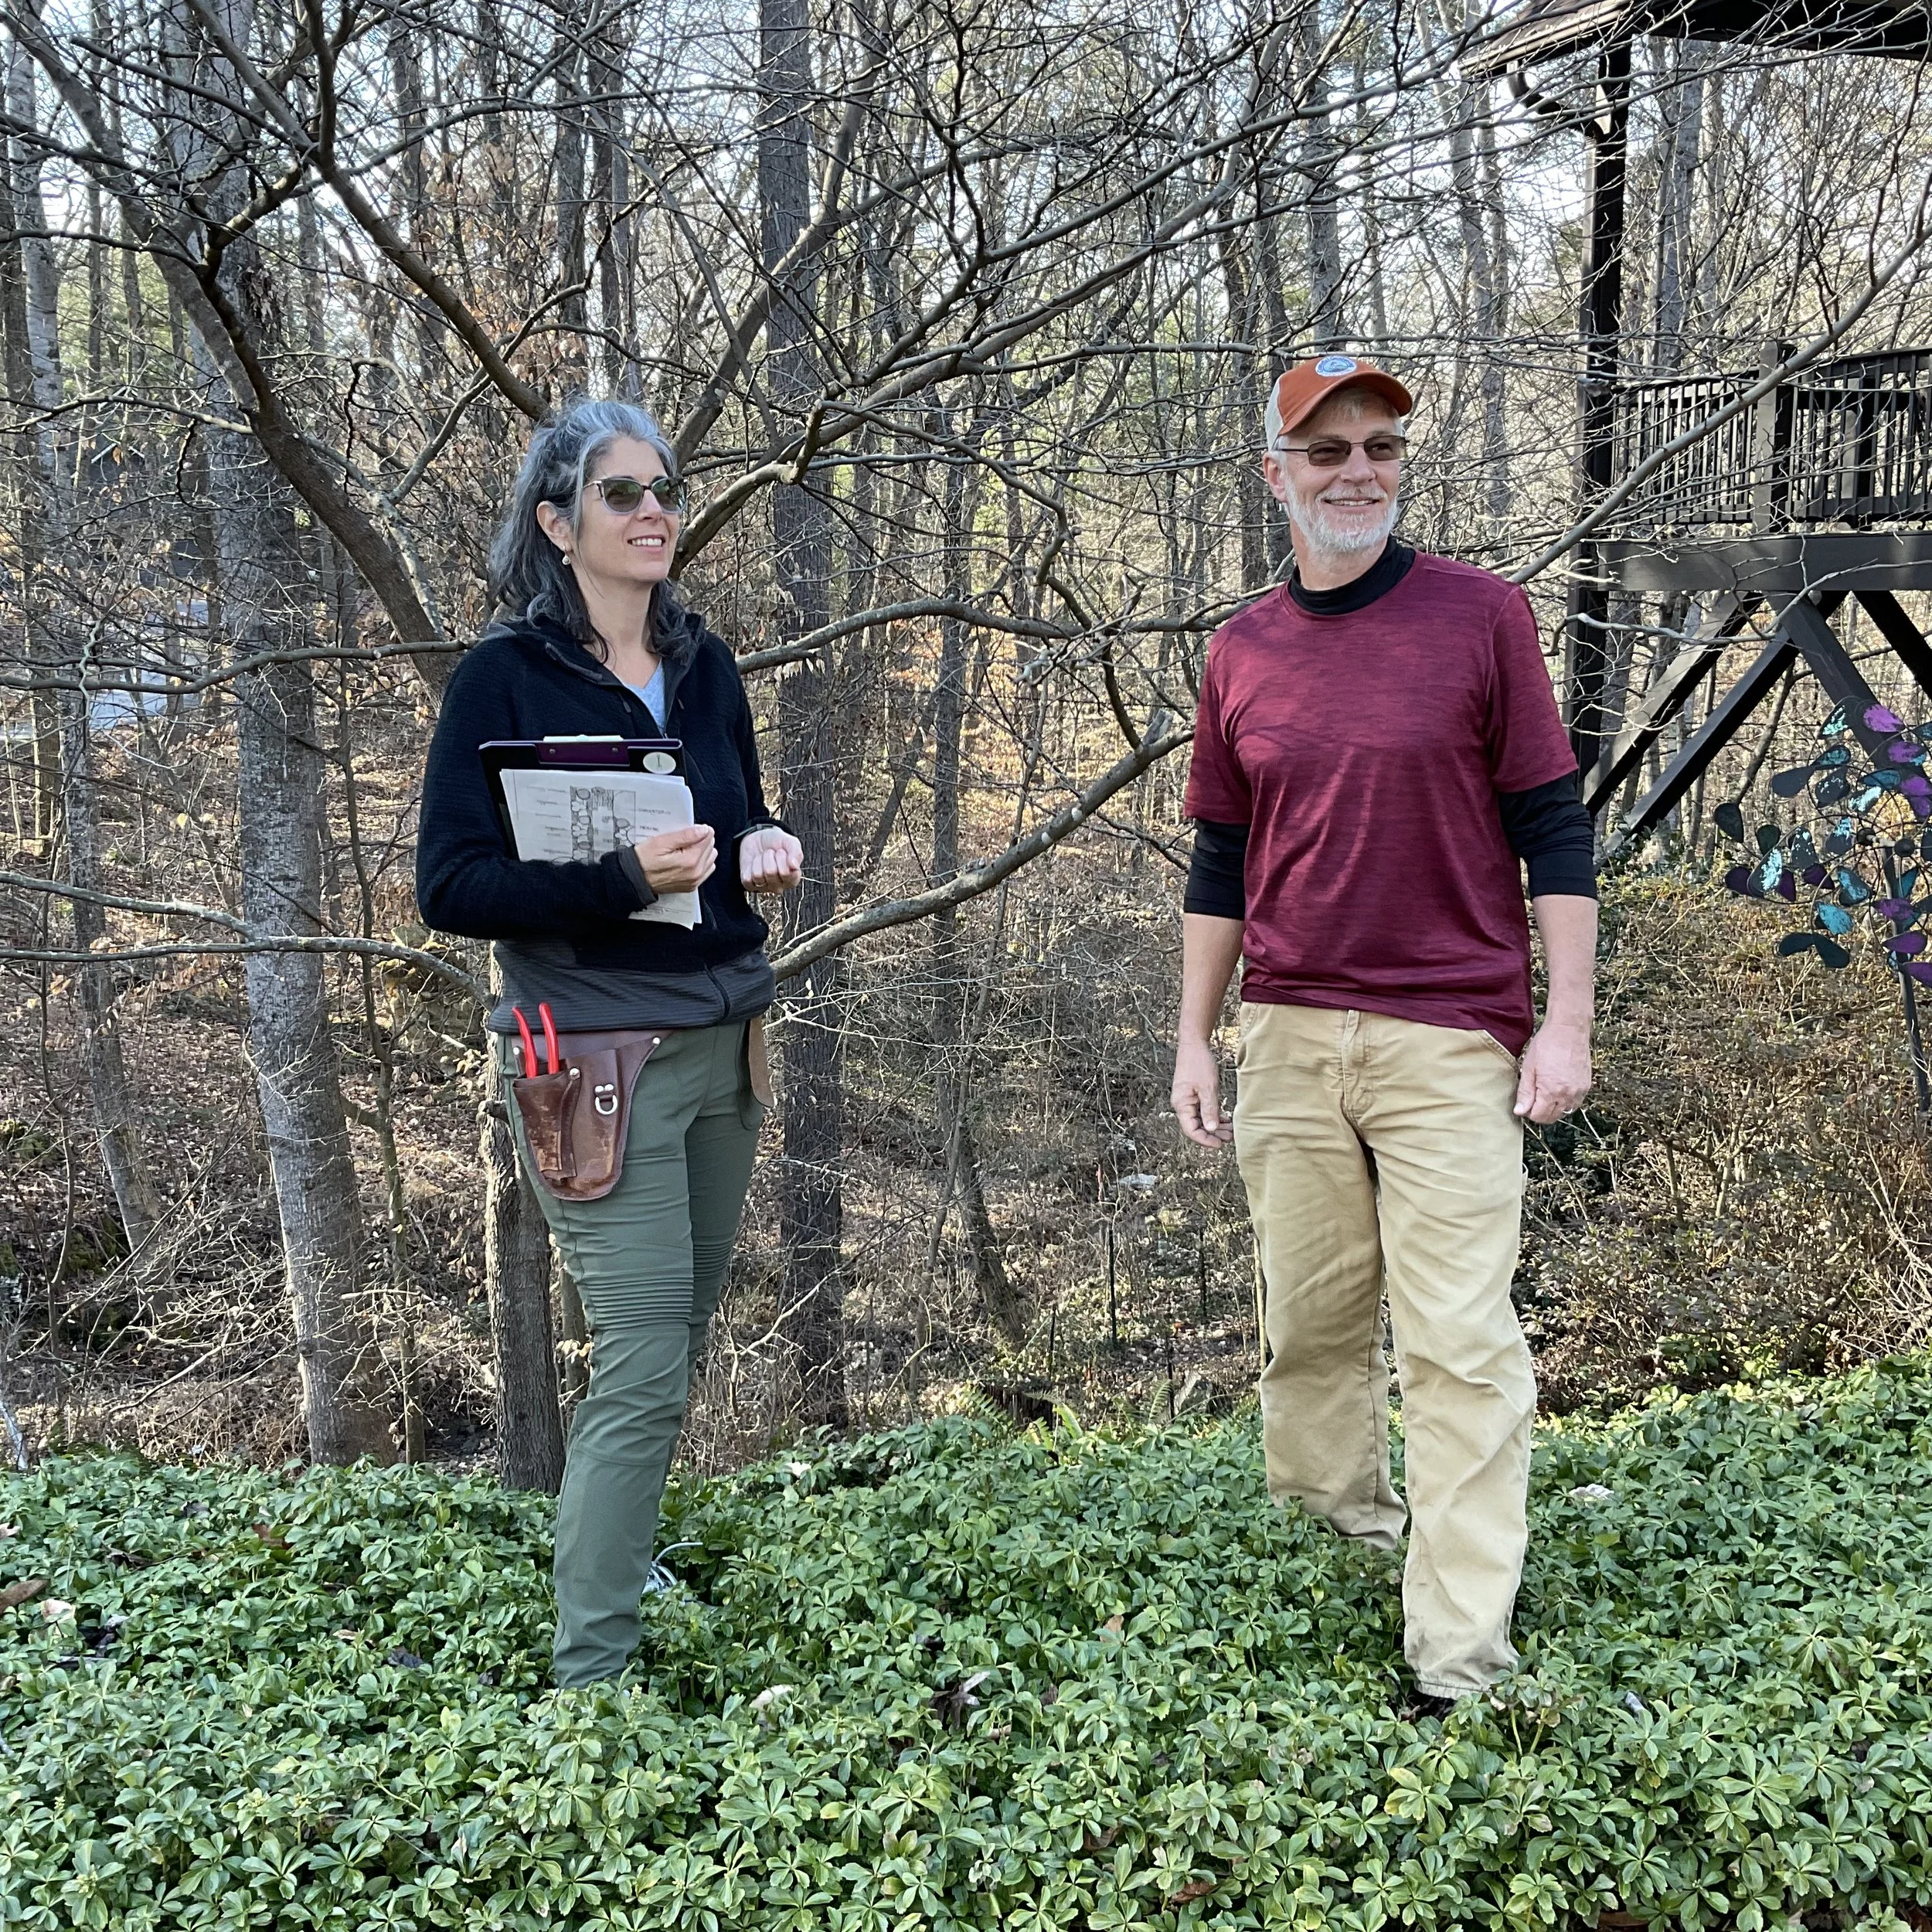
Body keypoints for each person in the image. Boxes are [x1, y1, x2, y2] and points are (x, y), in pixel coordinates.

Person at [1170, 354, 1597, 1713]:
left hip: (1449, 1038)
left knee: (1459, 1347)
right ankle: (1336, 1569)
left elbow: (1553, 829)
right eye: (1329, 448)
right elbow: (1219, 862)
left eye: (1382, 446)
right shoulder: (1240, 651)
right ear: (1276, 473)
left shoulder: (1482, 618)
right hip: (1286, 1035)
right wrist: (1195, 1033)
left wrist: (1566, 1023)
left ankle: (1458, 1656)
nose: (1360, 469)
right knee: (1308, 1329)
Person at [416, 396, 803, 1688]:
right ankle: (593, 1681)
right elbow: (452, 888)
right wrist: (622, 875)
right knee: (642, 1361)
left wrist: (760, 851)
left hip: (725, 1045)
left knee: (676, 1339)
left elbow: (732, 830)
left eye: (666, 490)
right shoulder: (503, 679)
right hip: (593, 1065)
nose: (654, 513)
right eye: (624, 493)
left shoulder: (706, 666)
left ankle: (616, 1546)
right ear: (557, 523)